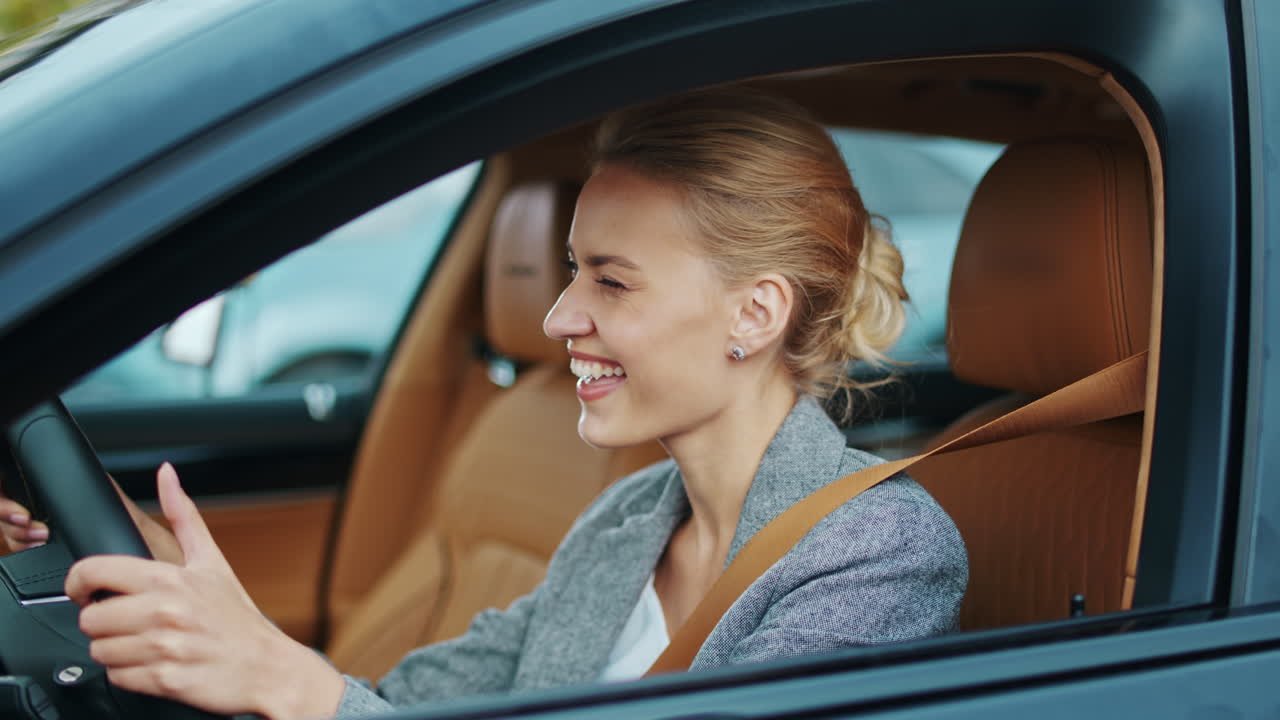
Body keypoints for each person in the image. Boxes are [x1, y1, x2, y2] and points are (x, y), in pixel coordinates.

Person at [0, 86, 967, 719]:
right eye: (568, 272)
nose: (557, 316)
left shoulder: (878, 554)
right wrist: (150, 563)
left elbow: (332, 704)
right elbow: (398, 700)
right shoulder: (624, 521)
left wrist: (291, 688)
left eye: (610, 282)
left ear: (753, 313)